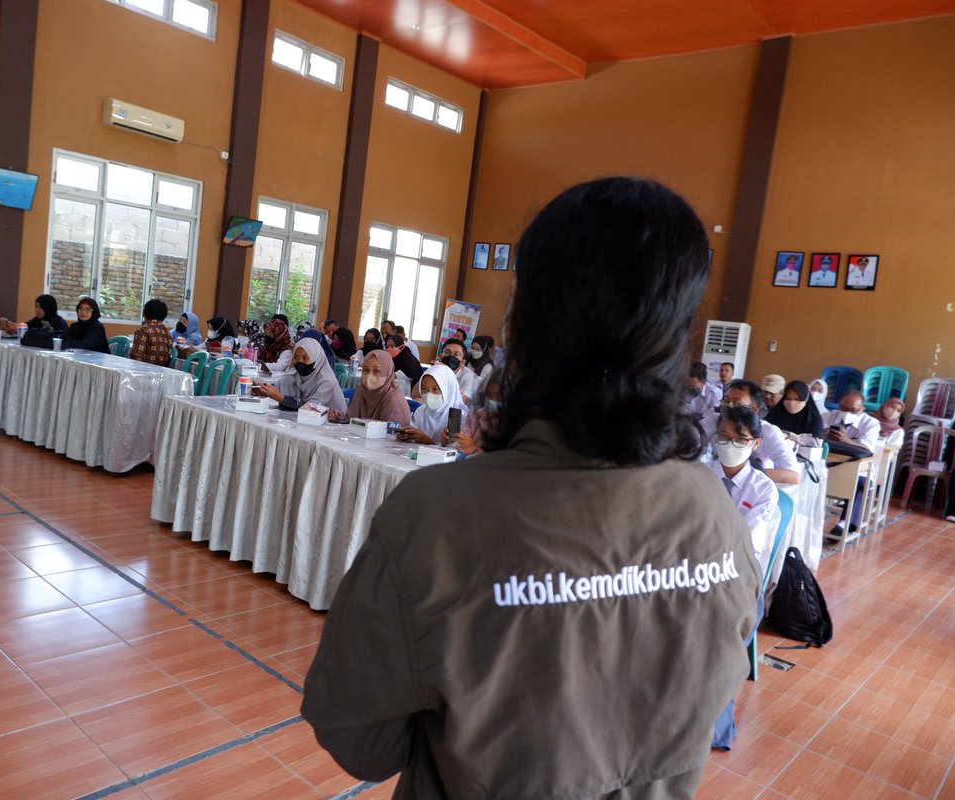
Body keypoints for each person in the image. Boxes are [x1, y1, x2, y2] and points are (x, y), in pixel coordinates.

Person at [303, 177, 759, 799]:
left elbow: (359, 739)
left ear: (525, 324)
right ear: (677, 338)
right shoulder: (717, 514)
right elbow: (710, 690)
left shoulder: (438, 517)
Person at [708, 404, 780, 751]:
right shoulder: (698, 474)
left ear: (755, 444)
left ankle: (714, 727)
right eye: (723, 436)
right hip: (694, 574)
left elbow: (745, 545)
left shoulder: (763, 489)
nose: (730, 444)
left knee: (721, 643)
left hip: (739, 583)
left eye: (740, 439)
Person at [703, 380, 801, 485]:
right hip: (714, 480)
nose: (728, 407)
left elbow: (794, 476)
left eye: (736, 403)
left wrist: (746, 473)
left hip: (752, 485)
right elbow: (691, 443)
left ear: (754, 409)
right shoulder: (714, 420)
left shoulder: (768, 431)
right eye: (726, 401)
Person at [822, 391, 882, 538]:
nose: (847, 413)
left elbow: (868, 449)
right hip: (830, 466)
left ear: (862, 410)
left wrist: (846, 440)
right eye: (844, 408)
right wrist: (824, 435)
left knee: (859, 483)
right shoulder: (828, 416)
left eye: (853, 410)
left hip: (860, 469)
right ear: (839, 406)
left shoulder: (871, 423)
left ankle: (845, 523)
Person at [251, 338, 345, 411]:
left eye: (305, 358)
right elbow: (272, 390)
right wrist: (259, 389)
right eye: (296, 357)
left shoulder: (326, 382)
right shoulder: (294, 376)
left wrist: (280, 397)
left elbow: (311, 408)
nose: (300, 362)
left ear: (316, 359)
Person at [328, 349, 412, 428]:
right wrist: (340, 418)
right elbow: (351, 420)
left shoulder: (394, 402)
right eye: (366, 370)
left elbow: (392, 435)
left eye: (376, 371)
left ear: (388, 373)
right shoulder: (362, 390)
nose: (369, 375)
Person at [395, 363, 467, 446]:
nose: (429, 395)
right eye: (424, 389)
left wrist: (427, 441)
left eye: (435, 389)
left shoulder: (462, 418)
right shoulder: (421, 412)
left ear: (448, 388)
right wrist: (407, 436)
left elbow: (456, 452)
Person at [415, 338, 477, 405]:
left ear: (463, 362)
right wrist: (432, 371)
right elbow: (415, 395)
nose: (451, 356)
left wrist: (428, 402)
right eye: (447, 352)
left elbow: (461, 402)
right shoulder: (437, 370)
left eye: (456, 354)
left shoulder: (470, 377)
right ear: (441, 356)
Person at [130, 299, 174, 365]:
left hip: (143, 370)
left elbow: (137, 359)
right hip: (162, 370)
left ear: (144, 313)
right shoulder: (167, 334)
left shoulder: (142, 331)